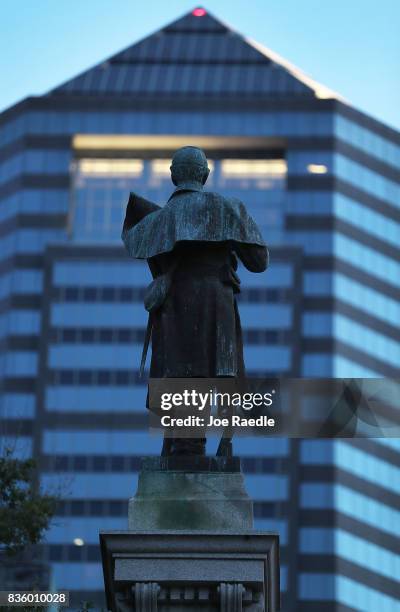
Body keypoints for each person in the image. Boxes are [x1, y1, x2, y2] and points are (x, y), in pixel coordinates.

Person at [122, 146, 268, 456]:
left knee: (182, 376)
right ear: (205, 175)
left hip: (176, 307)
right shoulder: (228, 208)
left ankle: (185, 445)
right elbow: (259, 262)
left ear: (173, 175)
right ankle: (212, 443)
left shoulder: (157, 221)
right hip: (215, 301)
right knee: (221, 371)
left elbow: (141, 245)